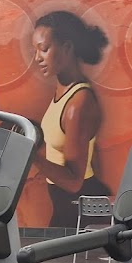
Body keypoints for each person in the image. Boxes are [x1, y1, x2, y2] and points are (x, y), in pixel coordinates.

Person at [31, 11, 109, 227]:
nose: (37, 58)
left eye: (44, 49)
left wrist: (31, 155)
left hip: (77, 208)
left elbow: (74, 182)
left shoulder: (78, 102)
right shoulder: (63, 92)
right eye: (35, 50)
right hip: (64, 205)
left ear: (67, 48)